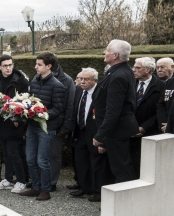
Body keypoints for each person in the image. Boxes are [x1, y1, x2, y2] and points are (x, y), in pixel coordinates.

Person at [19, 52, 65, 201]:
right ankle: (36, 187)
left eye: (39, 65)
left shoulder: (57, 85)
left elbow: (58, 109)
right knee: (30, 159)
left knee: (42, 160)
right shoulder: (34, 80)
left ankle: (45, 190)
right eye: (36, 64)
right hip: (32, 126)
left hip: (47, 127)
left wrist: (41, 114)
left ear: (49, 66)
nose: (35, 67)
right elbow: (31, 101)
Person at [91, 40, 139, 183]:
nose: (104, 53)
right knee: (120, 167)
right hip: (118, 130)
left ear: (115, 55)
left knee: (121, 169)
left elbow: (113, 110)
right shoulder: (121, 71)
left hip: (117, 131)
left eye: (107, 50)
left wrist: (100, 135)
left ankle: (124, 204)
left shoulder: (118, 75)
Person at [0, 55, 29, 193]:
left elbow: (25, 101)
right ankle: (8, 179)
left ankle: (21, 181)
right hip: (0, 122)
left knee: (13, 152)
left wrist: (17, 119)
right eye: (5, 65)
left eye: (10, 65)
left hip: (14, 122)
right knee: (5, 153)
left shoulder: (21, 81)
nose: (8, 68)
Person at [70, 68, 107, 202]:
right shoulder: (79, 90)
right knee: (81, 162)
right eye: (81, 79)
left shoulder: (101, 92)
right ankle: (84, 187)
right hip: (80, 132)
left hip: (95, 133)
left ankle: (98, 191)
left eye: (87, 79)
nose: (82, 82)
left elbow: (104, 116)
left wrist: (102, 138)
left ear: (95, 80)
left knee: (97, 163)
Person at [130, 57, 163, 178]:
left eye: (137, 68)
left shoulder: (161, 86)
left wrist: (144, 127)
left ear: (148, 70)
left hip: (150, 133)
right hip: (130, 132)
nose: (134, 70)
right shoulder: (131, 84)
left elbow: (161, 111)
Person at [50, 60, 75, 192]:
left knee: (54, 155)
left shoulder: (66, 80)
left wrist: (65, 127)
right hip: (41, 123)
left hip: (57, 124)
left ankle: (52, 182)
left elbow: (70, 105)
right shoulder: (38, 77)